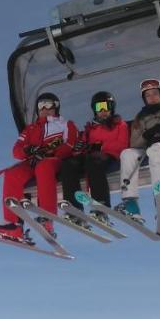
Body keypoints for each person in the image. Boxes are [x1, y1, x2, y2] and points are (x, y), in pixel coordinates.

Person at [0, 93, 78, 242]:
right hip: (33, 162)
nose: (45, 109)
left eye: (49, 105)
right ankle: (14, 224)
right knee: (11, 174)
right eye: (41, 106)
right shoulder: (30, 129)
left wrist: (50, 153)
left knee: (44, 166)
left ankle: (47, 218)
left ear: (56, 107)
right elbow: (16, 151)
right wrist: (28, 150)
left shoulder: (66, 124)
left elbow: (70, 144)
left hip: (56, 161)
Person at [119, 77, 160, 220]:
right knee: (127, 154)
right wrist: (148, 134)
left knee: (156, 150)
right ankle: (130, 200)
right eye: (148, 95)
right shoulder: (140, 117)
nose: (152, 98)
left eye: (155, 93)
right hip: (146, 145)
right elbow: (135, 143)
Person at [60, 91, 128, 223]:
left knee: (94, 161)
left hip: (108, 156)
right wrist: (78, 149)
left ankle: (100, 206)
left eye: (106, 106)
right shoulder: (90, 128)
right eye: (99, 107)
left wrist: (100, 147)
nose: (102, 110)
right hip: (89, 157)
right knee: (68, 164)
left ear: (111, 107)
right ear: (94, 110)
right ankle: (74, 208)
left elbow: (122, 145)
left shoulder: (120, 124)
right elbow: (81, 148)